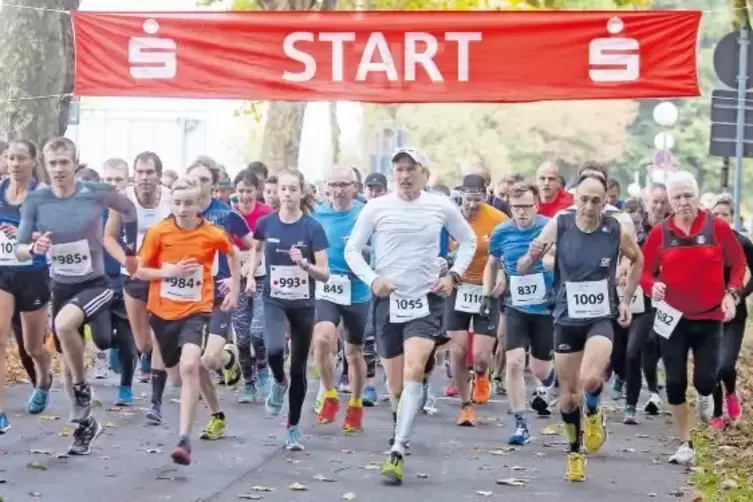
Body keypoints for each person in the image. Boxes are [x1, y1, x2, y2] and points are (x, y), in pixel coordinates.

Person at [344, 147, 477, 486]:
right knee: (397, 384)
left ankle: (398, 449)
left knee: (416, 368)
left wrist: (453, 276)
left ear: (424, 173)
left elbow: (468, 240)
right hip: (389, 300)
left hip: (425, 298)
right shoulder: (376, 207)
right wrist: (373, 280)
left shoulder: (440, 205)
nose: (404, 175)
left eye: (411, 169)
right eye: (399, 169)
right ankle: (398, 424)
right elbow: (352, 250)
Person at [15, 137, 140, 456]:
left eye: (64, 162)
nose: (58, 169)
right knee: (68, 360)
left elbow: (128, 209)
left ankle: (84, 391)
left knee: (65, 326)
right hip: (61, 286)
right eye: (53, 163)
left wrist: (130, 251)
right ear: (45, 164)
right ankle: (84, 426)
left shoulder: (95, 193)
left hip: (96, 284)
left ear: (76, 162)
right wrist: (33, 248)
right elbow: (19, 248)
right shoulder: (36, 200)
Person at [518, 173, 643, 482]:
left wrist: (625, 299)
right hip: (565, 317)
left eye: (596, 200)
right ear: (575, 199)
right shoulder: (560, 224)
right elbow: (523, 266)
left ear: (606, 202)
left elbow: (637, 259)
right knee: (568, 394)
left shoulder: (615, 229)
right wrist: (531, 256)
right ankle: (574, 451)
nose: (589, 206)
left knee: (589, 380)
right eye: (584, 199)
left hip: (601, 316)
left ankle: (593, 410)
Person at [640, 171, 745, 466]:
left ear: (698, 197)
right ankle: (686, 442)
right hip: (672, 317)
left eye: (688, 195)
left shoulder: (717, 228)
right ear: (669, 202)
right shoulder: (660, 232)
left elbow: (738, 263)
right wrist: (653, 286)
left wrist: (731, 293)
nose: (683, 202)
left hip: (710, 316)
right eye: (677, 197)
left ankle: (704, 396)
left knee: (706, 379)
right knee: (674, 382)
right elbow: (646, 272)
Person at [136, 176, 239, 466]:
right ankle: (219, 396)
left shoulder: (211, 233)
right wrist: (170, 273)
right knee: (180, 377)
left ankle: (183, 439)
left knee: (191, 363)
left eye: (189, 203)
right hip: (162, 314)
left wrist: (234, 286)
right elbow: (141, 272)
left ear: (199, 206)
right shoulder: (159, 233)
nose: (183, 208)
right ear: (172, 203)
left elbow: (233, 252)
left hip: (197, 311)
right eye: (178, 202)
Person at [247, 169, 329, 450]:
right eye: (283, 189)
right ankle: (277, 381)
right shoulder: (266, 223)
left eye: (293, 189)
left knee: (298, 369)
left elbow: (325, 273)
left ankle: (293, 427)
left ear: (301, 192)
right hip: (274, 298)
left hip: (304, 304)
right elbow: (256, 248)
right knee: (273, 351)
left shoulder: (312, 228)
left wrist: (305, 264)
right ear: (277, 192)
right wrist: (249, 276)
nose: (288, 194)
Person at [484, 181, 556, 445]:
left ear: (536, 205)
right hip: (516, 306)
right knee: (513, 362)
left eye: (527, 206)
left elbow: (559, 259)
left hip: (545, 307)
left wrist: (541, 261)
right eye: (516, 207)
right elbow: (492, 263)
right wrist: (487, 292)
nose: (522, 212)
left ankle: (550, 379)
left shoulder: (549, 227)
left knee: (539, 369)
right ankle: (520, 423)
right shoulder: (502, 231)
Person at [104, 152, 172, 405]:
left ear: (158, 175)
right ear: (134, 175)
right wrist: (126, 260)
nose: (144, 177)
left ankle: (156, 400)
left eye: (150, 172)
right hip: (133, 274)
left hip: (164, 275)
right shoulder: (122, 200)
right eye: (140, 172)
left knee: (160, 334)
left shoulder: (170, 199)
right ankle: (143, 353)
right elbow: (108, 237)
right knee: (143, 343)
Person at [444, 174, 508, 427]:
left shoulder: (497, 219)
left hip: (485, 288)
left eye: (477, 200)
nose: (472, 206)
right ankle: (465, 405)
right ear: (460, 195)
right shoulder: (448, 217)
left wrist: (502, 273)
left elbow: (506, 252)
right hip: (457, 287)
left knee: (481, 356)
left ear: (486, 196)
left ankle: (482, 374)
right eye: (468, 200)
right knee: (458, 349)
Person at [0, 140, 52, 434]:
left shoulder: (43, 194)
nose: (15, 163)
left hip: (32, 273)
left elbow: (52, 234)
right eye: (10, 157)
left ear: (33, 161)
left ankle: (43, 378)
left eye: (21, 158)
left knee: (33, 346)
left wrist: (24, 234)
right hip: (2, 271)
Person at [312, 166, 369, 432]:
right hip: (328, 286)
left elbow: (379, 248)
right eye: (333, 184)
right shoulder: (317, 215)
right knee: (322, 339)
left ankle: (356, 404)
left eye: (344, 184)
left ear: (355, 187)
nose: (338, 190)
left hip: (358, 290)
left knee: (354, 353)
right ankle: (331, 395)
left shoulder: (366, 213)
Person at [709, 194, 753, 429]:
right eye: (715, 214)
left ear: (732, 217)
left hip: (734, 314)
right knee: (712, 366)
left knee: (726, 365)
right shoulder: (702, 243)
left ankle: (731, 393)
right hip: (708, 312)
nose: (720, 218)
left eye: (724, 214)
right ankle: (717, 412)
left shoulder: (743, 244)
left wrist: (738, 295)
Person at [231, 168, 273, 403]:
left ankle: (264, 369)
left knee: (257, 331)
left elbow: (269, 245)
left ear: (257, 191)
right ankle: (248, 381)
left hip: (262, 277)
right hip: (237, 278)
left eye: (249, 191)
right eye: (240, 191)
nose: (245, 196)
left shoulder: (266, 214)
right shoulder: (230, 216)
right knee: (242, 337)